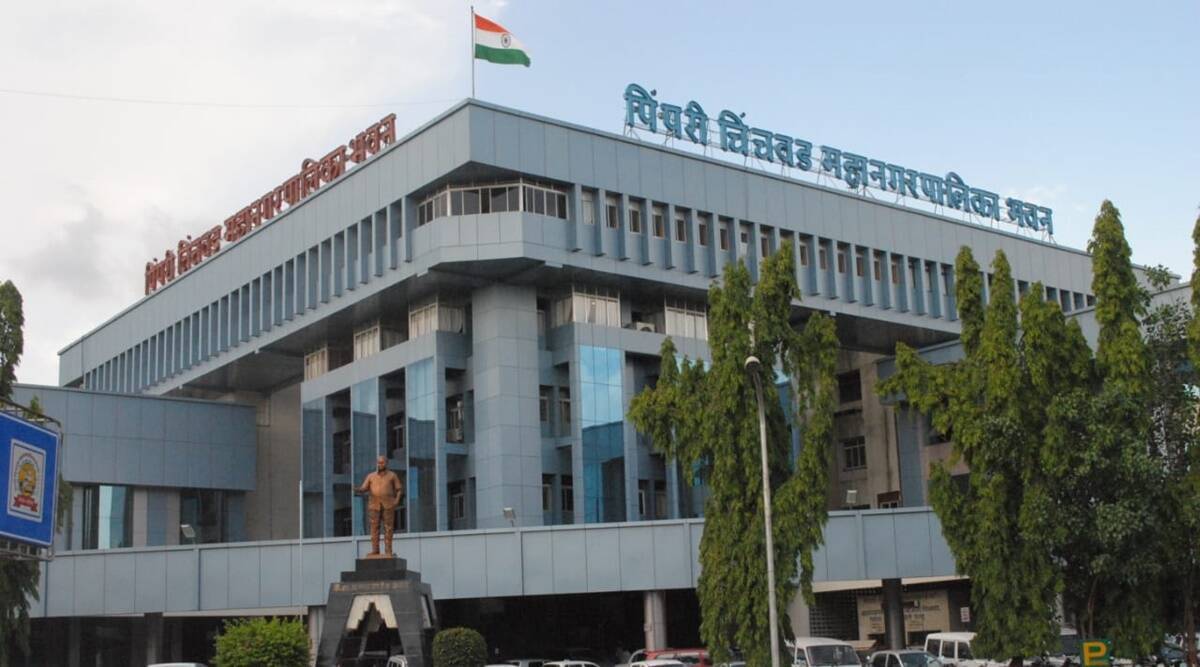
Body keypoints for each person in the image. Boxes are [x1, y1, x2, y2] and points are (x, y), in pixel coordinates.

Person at [357, 455, 404, 556]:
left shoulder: (392, 475)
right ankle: (375, 550)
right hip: (374, 505)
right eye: (378, 463)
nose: (380, 465)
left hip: (388, 505)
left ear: (386, 463)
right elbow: (364, 488)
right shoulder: (371, 476)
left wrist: (396, 501)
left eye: (382, 463)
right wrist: (358, 489)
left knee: (388, 528)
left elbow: (399, 489)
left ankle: (388, 550)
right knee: (374, 528)